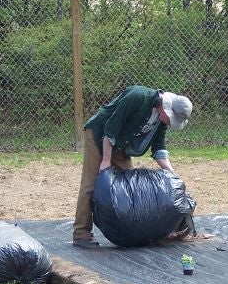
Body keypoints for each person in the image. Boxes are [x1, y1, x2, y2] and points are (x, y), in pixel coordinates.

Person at [72, 85, 193, 248]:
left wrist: (173, 175)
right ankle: (81, 234)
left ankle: (129, 229)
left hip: (120, 144)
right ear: (166, 108)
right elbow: (111, 129)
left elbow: (159, 148)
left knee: (128, 189)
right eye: (172, 119)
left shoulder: (161, 120)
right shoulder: (137, 97)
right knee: (91, 184)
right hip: (99, 135)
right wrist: (106, 161)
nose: (170, 123)